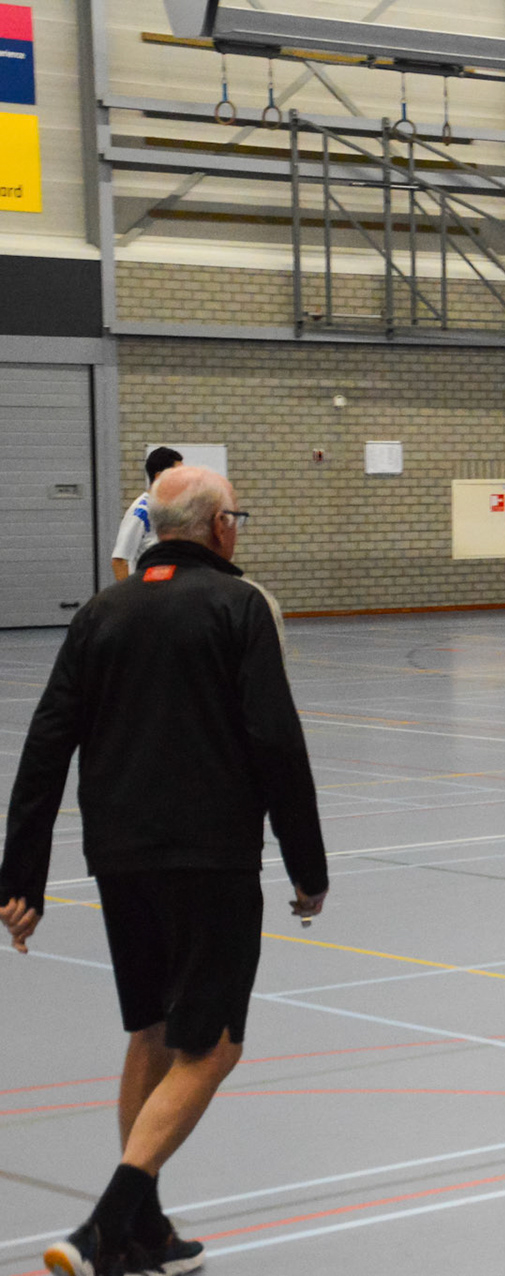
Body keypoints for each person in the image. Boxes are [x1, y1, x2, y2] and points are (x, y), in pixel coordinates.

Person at [1, 466, 329, 1276]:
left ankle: (144, 1236)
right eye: (237, 516)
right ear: (219, 526)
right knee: (212, 1047)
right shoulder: (239, 605)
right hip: (209, 858)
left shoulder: (101, 612)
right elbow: (275, 740)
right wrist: (308, 866)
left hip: (119, 857)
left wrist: (21, 878)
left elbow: (47, 743)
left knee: (150, 1032)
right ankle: (104, 1226)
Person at [110, 447, 185, 582]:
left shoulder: (170, 509)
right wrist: (130, 594)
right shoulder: (141, 512)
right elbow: (119, 561)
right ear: (159, 477)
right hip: (148, 591)